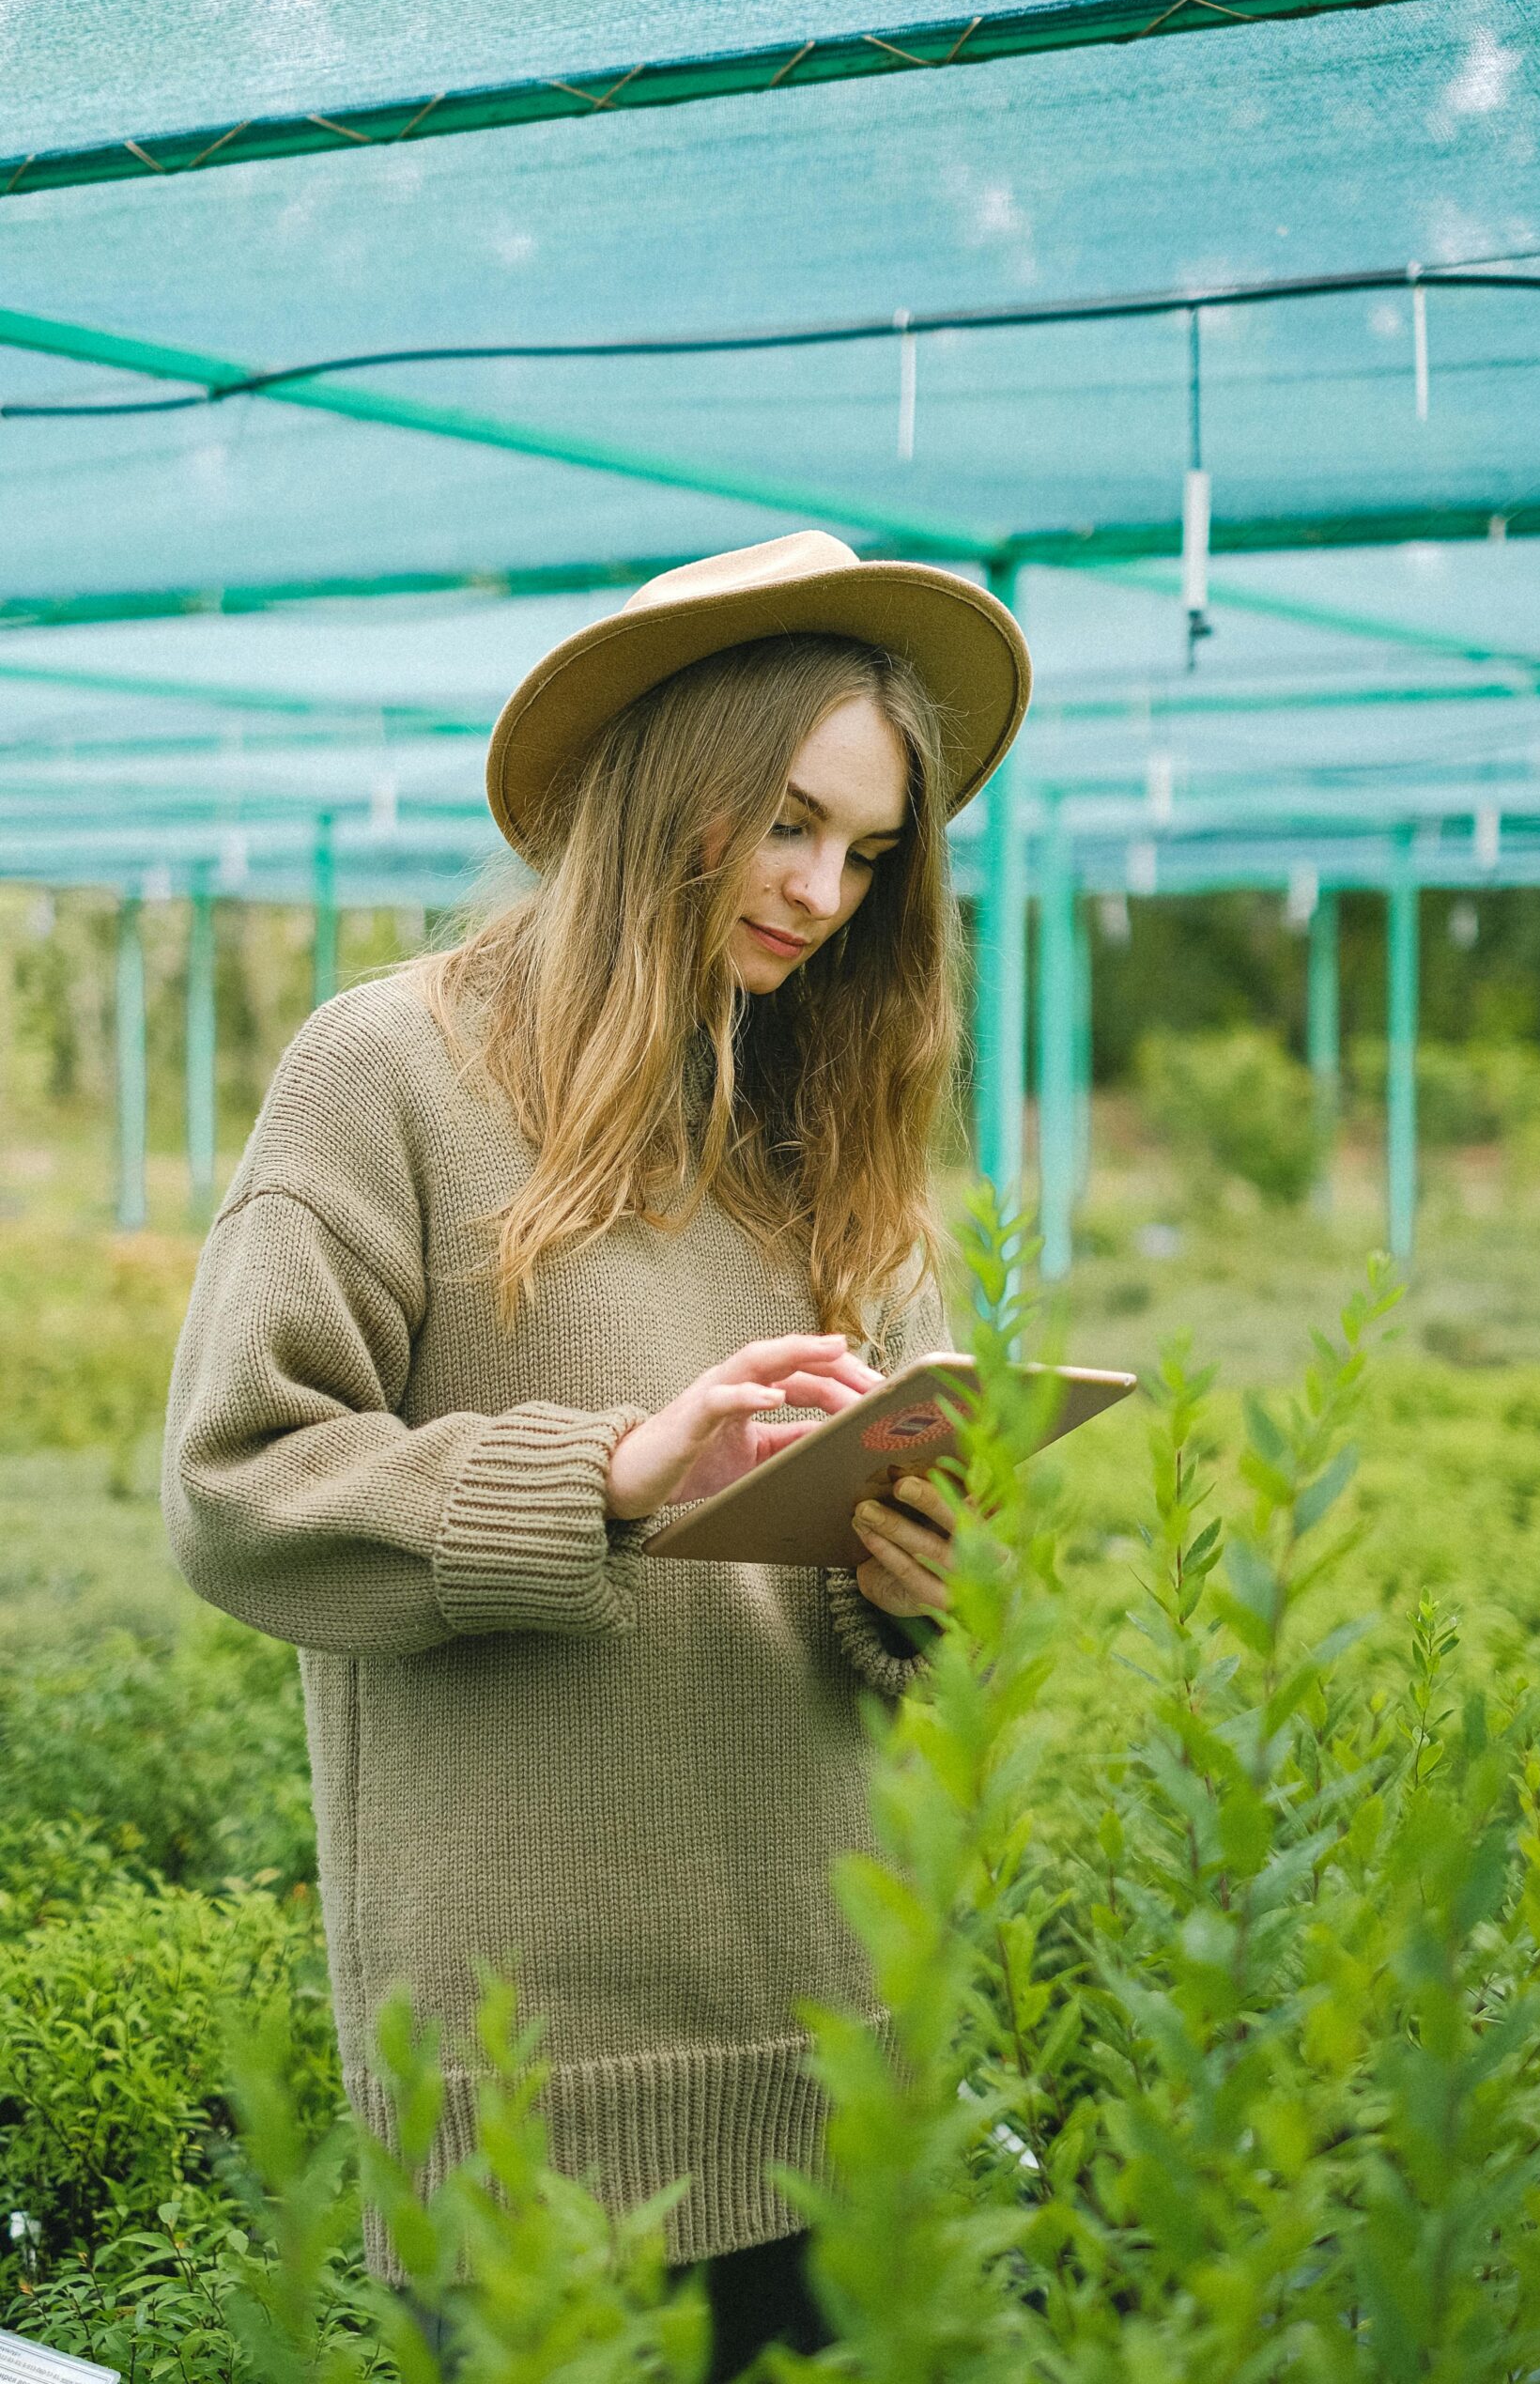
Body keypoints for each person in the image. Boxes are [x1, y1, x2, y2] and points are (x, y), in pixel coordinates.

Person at [161, 530, 1031, 2379]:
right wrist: (606, 1479)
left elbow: (855, 1621)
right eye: (787, 821)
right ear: (668, 788)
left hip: (832, 2045)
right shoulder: (388, 1070)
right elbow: (237, 1482)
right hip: (537, 2081)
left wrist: (913, 1581)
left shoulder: (818, 1132)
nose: (821, 892)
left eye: (867, 855)